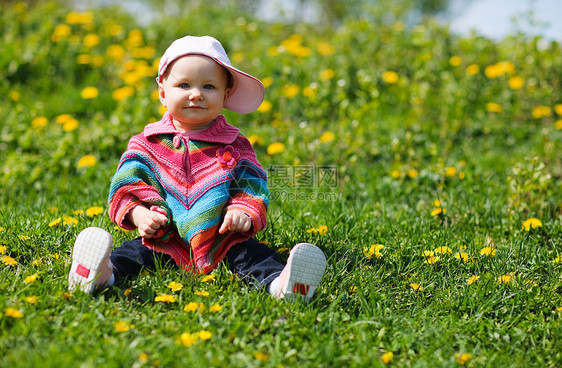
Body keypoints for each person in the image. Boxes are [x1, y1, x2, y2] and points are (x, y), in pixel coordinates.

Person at [68, 35, 326, 301]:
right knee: (132, 254)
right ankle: (102, 275)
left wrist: (242, 210)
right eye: (184, 84)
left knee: (252, 256)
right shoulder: (147, 144)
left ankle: (282, 286)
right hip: (163, 237)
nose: (196, 94)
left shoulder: (235, 144)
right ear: (163, 93)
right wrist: (140, 215)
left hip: (221, 237)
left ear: (225, 95)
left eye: (209, 86)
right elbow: (126, 187)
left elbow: (251, 184)